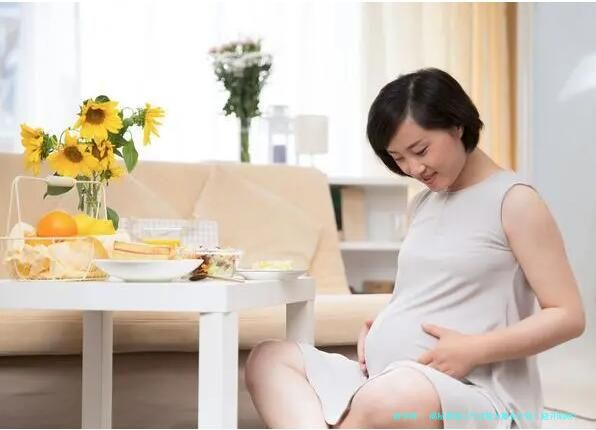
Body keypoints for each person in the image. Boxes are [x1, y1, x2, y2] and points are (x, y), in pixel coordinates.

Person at [244, 68, 585, 429]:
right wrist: (381, 323)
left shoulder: (514, 201)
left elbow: (568, 315)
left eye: (420, 150)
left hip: (471, 391)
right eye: (398, 158)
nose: (413, 168)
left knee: (386, 400)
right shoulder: (422, 204)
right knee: (269, 358)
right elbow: (434, 292)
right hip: (388, 377)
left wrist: (475, 349)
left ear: (457, 126)